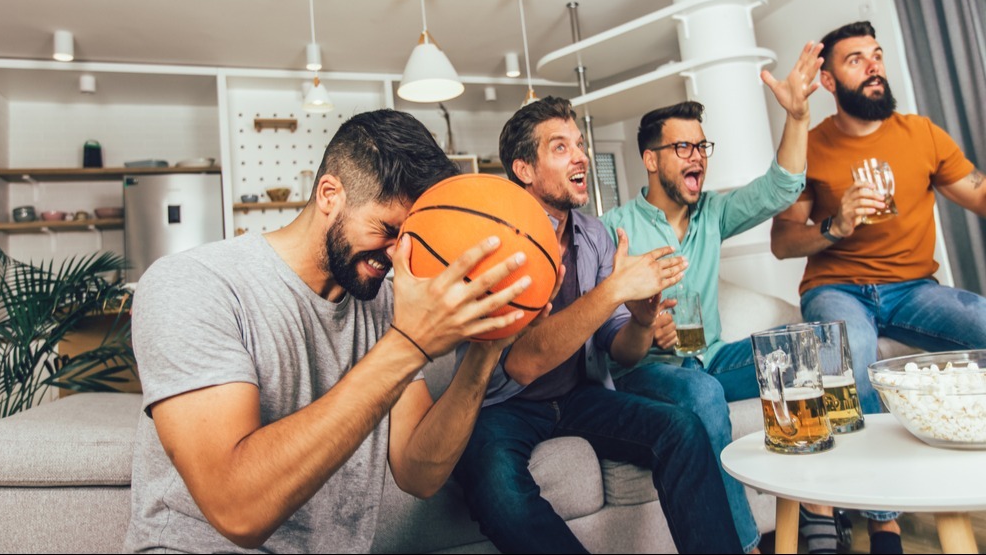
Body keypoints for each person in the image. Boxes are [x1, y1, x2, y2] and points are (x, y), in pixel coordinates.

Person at [123, 109, 542, 553]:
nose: (399, 255)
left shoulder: (383, 303)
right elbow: (237, 510)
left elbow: (418, 474)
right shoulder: (192, 284)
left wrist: (485, 350)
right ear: (329, 194)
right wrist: (409, 343)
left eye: (412, 236)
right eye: (387, 230)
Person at [450, 95, 743, 554]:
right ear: (524, 169)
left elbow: (621, 349)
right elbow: (524, 364)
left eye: (580, 144)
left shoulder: (594, 235)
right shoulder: (495, 243)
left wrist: (642, 321)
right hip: (501, 405)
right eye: (561, 147)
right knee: (496, 489)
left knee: (681, 429)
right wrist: (613, 291)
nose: (582, 155)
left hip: (578, 396)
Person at [770, 21, 986, 555]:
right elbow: (782, 241)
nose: (873, 67)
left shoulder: (923, 134)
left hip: (914, 288)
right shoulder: (812, 147)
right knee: (851, 355)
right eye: (855, 59)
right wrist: (835, 227)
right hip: (836, 285)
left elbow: (978, 193)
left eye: (877, 55)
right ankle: (883, 523)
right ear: (827, 80)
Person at [599, 42, 823, 554]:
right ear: (650, 159)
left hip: (711, 356)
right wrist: (641, 326)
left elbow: (781, 187)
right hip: (648, 369)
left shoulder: (714, 214)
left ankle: (820, 513)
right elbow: (602, 321)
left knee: (803, 347)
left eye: (702, 147)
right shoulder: (614, 230)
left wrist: (797, 115)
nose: (697, 156)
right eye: (683, 148)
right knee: (700, 396)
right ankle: (745, 546)